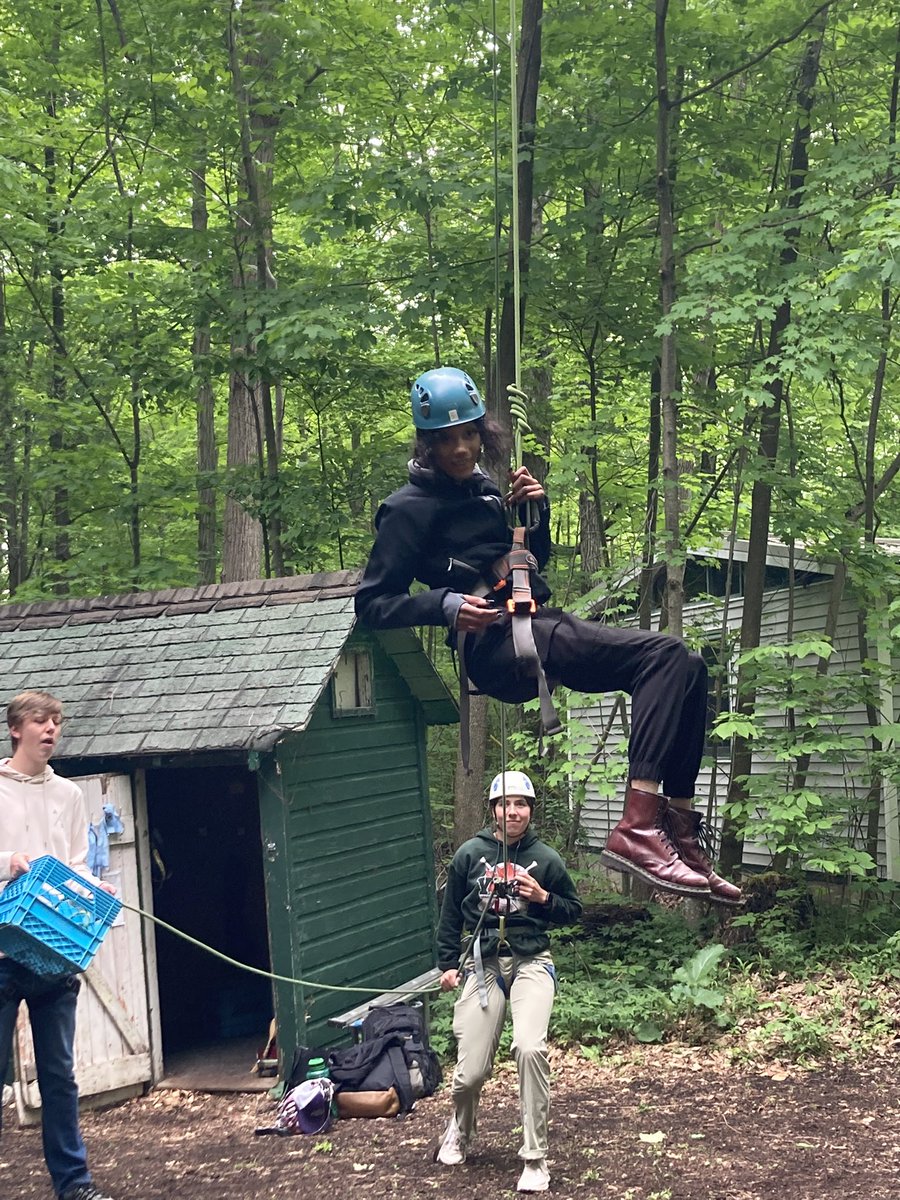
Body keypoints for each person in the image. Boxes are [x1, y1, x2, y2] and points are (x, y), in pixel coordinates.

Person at [354, 365, 743, 905]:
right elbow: (372, 603)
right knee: (665, 655)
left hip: (533, 624)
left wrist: (534, 513)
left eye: (469, 434)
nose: (462, 448)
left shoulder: (488, 495)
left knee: (688, 667)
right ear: (428, 443)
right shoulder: (405, 510)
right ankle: (637, 828)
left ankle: (677, 830)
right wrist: (443, 606)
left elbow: (533, 566)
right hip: (494, 646)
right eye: (447, 440)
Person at [433, 770, 582, 1193]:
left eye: (521, 804)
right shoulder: (469, 854)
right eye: (505, 804)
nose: (512, 811)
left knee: (529, 1048)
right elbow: (448, 916)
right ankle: (460, 1129)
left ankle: (534, 1159)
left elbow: (573, 910)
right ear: (493, 809)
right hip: (483, 962)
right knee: (471, 1071)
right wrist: (447, 963)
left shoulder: (547, 859)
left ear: (530, 811)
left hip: (531, 960)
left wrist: (542, 898)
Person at [0, 690, 117, 1200]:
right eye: (40, 721)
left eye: (57, 722)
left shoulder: (70, 795)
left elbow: (74, 866)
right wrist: (10, 862)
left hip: (53, 953)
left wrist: (96, 889)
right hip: (3, 953)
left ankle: (75, 1186)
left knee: (59, 1079)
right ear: (16, 729)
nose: (51, 729)